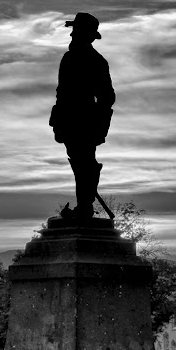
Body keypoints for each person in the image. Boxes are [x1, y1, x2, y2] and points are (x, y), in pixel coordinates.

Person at [49, 13, 114, 220]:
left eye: (76, 31)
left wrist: (95, 120)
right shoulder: (68, 58)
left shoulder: (95, 61)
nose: (72, 35)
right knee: (79, 163)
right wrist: (59, 119)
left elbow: (107, 96)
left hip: (84, 121)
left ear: (86, 36)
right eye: (73, 31)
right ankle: (84, 204)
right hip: (68, 120)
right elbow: (61, 93)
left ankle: (85, 206)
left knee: (85, 164)